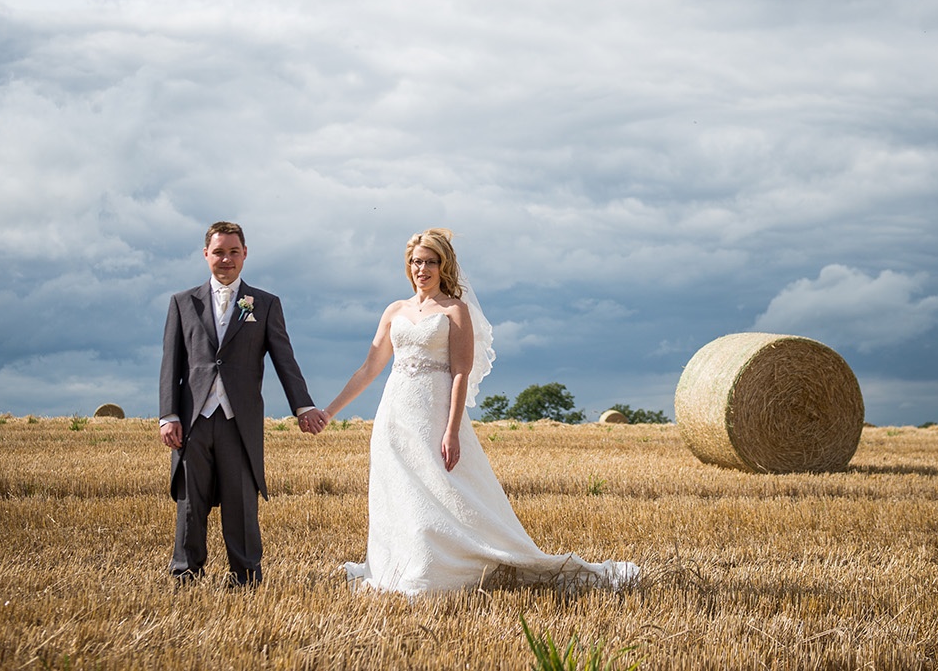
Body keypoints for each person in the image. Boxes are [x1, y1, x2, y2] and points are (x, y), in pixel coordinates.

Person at [322, 228, 639, 596]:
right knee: (399, 493)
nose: (421, 268)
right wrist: (329, 412)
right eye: (415, 261)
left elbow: (460, 372)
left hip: (434, 414)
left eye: (429, 262)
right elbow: (368, 369)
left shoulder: (455, 310)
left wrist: (451, 430)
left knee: (445, 491)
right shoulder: (395, 311)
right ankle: (398, 564)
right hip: (394, 415)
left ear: (444, 266)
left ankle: (435, 568)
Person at [159, 221, 328, 585]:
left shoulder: (265, 304)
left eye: (233, 251)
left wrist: (303, 407)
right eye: (218, 252)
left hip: (240, 421)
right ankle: (185, 574)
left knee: (241, 502)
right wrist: (168, 415)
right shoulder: (182, 303)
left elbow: (285, 359)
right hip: (193, 421)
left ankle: (246, 576)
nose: (226, 259)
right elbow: (170, 362)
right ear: (206, 254)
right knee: (191, 503)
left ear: (245, 254)